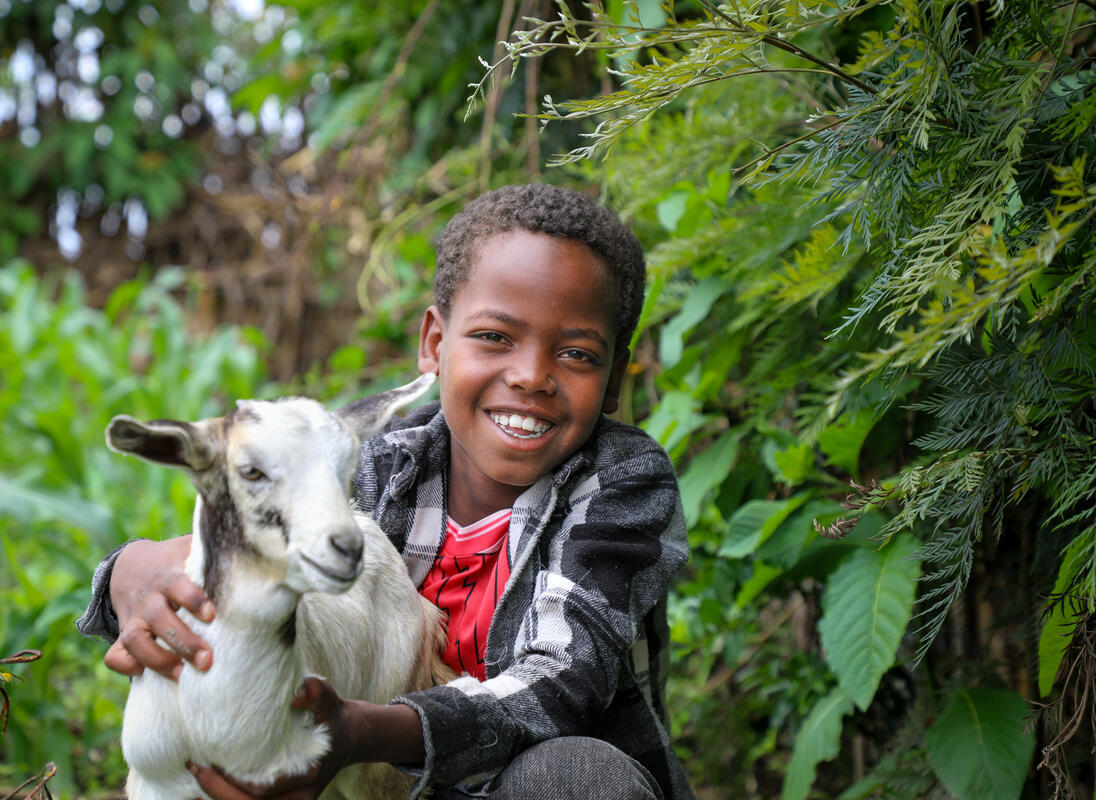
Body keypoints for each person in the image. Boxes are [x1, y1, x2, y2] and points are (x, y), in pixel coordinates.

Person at [78, 183, 694, 800]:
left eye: (576, 354)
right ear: (434, 344)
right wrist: (129, 575)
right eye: (494, 338)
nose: (532, 376)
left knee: (579, 776)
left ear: (615, 379)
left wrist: (358, 733)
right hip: (365, 787)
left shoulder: (620, 484)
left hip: (516, 784)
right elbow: (263, 547)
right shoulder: (377, 465)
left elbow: (561, 682)